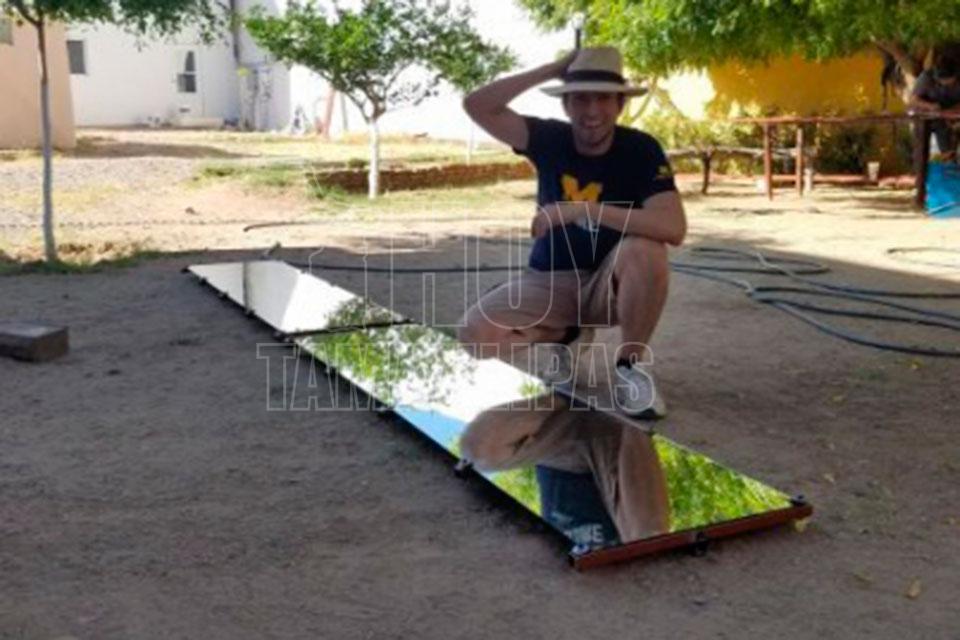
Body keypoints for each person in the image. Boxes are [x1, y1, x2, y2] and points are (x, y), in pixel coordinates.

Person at [458, 46, 686, 417]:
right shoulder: (549, 138)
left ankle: (630, 367)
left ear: (620, 104)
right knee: (477, 336)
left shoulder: (641, 149)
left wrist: (583, 210)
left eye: (603, 98)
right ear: (565, 104)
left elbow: (672, 227)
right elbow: (477, 105)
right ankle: (568, 335)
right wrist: (552, 69)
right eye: (580, 98)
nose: (592, 111)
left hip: (610, 286)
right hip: (549, 280)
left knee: (647, 249)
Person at [910, 54, 960, 162]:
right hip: (927, 118)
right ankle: (920, 168)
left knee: (949, 147)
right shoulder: (926, 77)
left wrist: (952, 112)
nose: (944, 83)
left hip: (950, 117)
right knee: (921, 148)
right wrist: (930, 106)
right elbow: (913, 100)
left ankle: (950, 163)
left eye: (948, 80)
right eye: (941, 80)